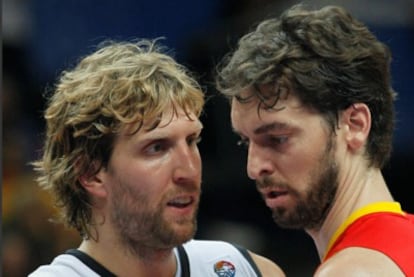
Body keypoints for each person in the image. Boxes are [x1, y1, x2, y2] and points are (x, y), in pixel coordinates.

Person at [29, 39, 285, 277]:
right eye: (157, 148)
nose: (188, 171)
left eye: (191, 141)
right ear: (90, 173)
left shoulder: (245, 269)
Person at [215, 4, 414, 276]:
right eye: (245, 142)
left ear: (355, 125)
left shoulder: (351, 271)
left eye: (277, 139)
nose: (254, 168)